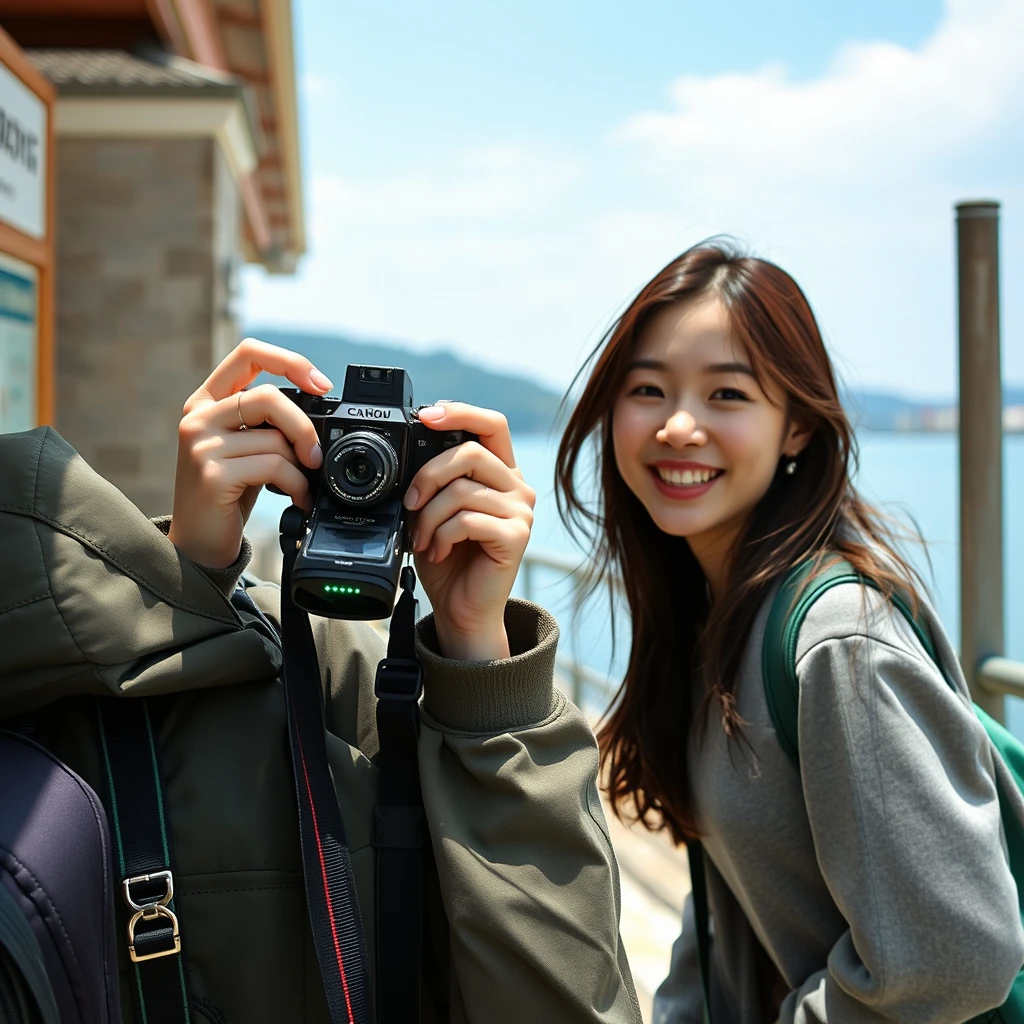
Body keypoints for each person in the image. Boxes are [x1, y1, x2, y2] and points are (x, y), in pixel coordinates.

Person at [0, 337, 642, 1023]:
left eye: (377, 453)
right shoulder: (331, 682)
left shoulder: (342, 686)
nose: (357, 467)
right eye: (343, 445)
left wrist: (182, 585)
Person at [554, 241, 1024, 1023]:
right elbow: (730, 912)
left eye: (727, 395)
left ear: (798, 428)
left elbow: (955, 956)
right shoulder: (715, 616)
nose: (677, 426)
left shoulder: (836, 640)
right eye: (648, 389)